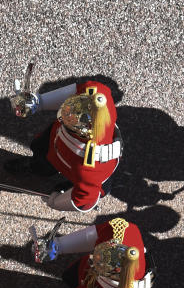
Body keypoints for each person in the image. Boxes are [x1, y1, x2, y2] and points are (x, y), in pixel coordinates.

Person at [8, 79, 121, 212]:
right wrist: (39, 101)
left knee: (98, 187)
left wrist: (56, 202)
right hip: (59, 140)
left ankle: (67, 187)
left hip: (79, 165)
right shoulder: (95, 95)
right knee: (41, 151)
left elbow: (85, 201)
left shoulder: (90, 171)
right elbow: (77, 90)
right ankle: (37, 166)